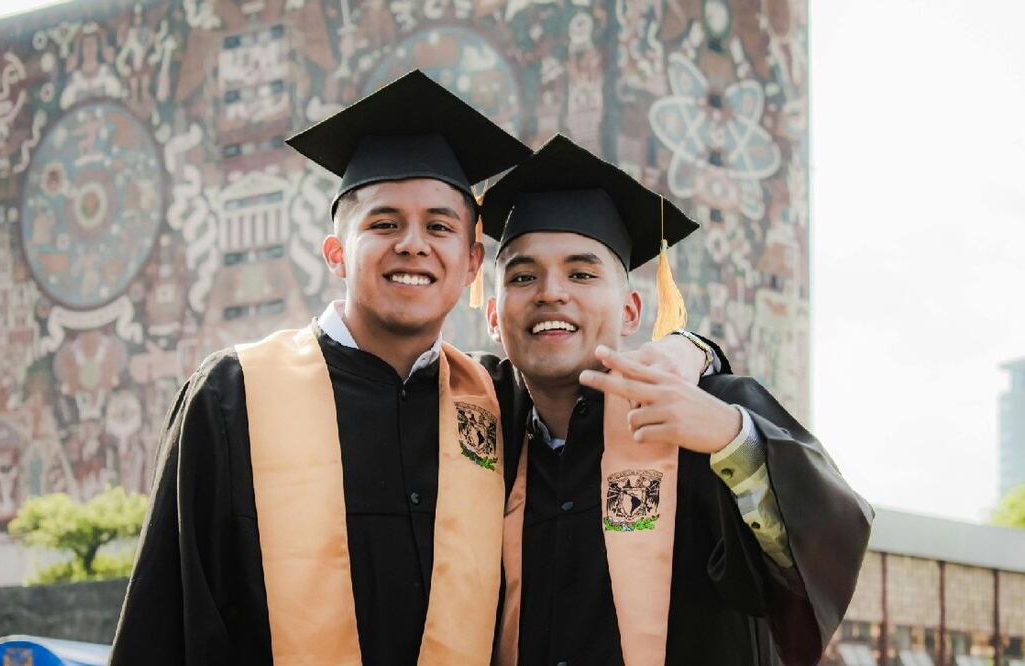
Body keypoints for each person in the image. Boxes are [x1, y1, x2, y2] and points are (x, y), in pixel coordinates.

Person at [109, 74, 716, 665]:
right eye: (384, 223)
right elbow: (168, 616)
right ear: (337, 253)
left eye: (440, 226)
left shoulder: (497, 401)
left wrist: (693, 349)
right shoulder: (234, 395)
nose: (413, 244)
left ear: (471, 261)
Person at [477, 134, 873, 666]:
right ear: (494, 317)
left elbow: (819, 551)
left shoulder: (708, 411)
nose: (551, 291)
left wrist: (736, 441)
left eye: (582, 272)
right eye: (523, 276)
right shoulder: (479, 429)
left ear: (631, 311)